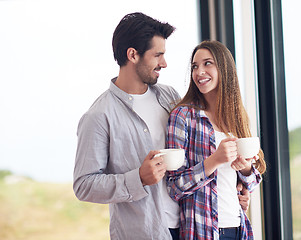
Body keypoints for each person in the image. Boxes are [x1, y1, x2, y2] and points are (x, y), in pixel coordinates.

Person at [73, 12, 180, 240]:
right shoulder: (99, 115)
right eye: (158, 55)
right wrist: (138, 178)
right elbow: (84, 185)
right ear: (133, 55)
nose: (164, 63)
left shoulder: (170, 97)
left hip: (189, 226)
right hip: (144, 233)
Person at [165, 40, 267, 240]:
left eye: (207, 63)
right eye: (195, 66)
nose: (199, 71)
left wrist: (245, 169)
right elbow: (174, 186)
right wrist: (214, 160)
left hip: (239, 228)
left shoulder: (236, 118)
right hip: (203, 231)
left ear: (224, 68)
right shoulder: (183, 116)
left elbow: (252, 180)